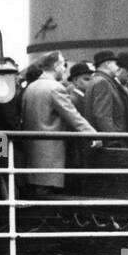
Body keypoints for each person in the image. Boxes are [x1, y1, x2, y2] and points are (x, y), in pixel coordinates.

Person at [19, 51, 96, 198]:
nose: (65, 70)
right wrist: (94, 134)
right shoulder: (55, 88)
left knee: (38, 197)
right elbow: (73, 117)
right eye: (63, 65)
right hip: (51, 156)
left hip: (32, 154)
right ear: (55, 66)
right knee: (49, 198)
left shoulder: (31, 87)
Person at [84, 51, 128, 135]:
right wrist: (113, 139)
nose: (118, 67)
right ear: (107, 63)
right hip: (110, 140)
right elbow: (103, 116)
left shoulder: (96, 80)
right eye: (115, 64)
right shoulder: (102, 82)